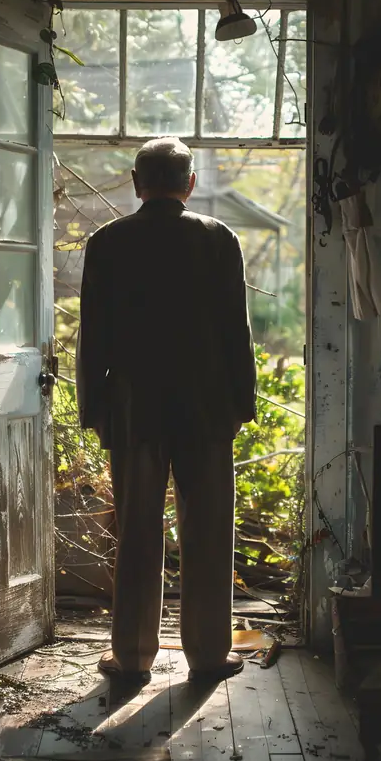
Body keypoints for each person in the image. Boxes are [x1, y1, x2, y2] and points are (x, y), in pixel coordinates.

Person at [77, 137, 257, 683]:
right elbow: (236, 331)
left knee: (136, 534)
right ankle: (206, 654)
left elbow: (94, 336)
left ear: (137, 184)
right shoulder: (217, 238)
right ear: (190, 184)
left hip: (135, 408)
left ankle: (131, 657)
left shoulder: (107, 242)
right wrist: (242, 403)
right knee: (207, 532)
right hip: (205, 408)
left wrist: (94, 408)